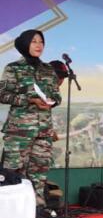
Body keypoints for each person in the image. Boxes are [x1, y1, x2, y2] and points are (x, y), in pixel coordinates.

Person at [0, 30, 61, 206]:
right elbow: (2, 94)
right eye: (34, 41)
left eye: (41, 42)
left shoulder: (48, 69)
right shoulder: (13, 68)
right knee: (14, 172)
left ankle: (37, 210)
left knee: (39, 172)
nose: (38, 45)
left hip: (43, 131)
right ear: (25, 44)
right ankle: (13, 212)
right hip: (19, 131)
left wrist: (51, 102)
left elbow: (57, 95)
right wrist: (29, 100)